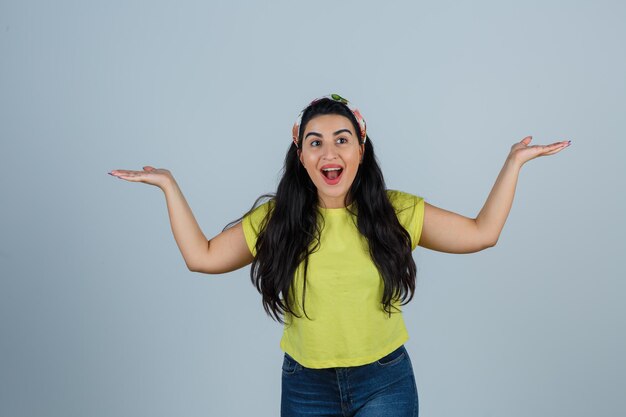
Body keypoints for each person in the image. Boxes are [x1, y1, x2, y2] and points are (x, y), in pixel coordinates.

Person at [109, 93, 570, 417]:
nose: (329, 151)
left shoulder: (397, 211)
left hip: (385, 382)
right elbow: (202, 256)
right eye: (316, 141)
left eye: (341, 138)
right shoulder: (277, 219)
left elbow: (481, 232)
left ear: (361, 148)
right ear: (302, 154)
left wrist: (513, 164)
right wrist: (170, 186)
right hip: (306, 386)